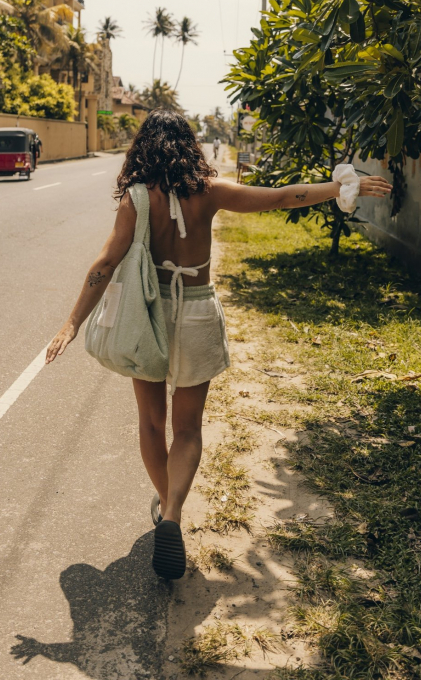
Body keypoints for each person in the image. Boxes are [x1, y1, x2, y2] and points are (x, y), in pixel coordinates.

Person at [45, 110, 391, 580]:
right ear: (189, 145)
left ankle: (167, 503)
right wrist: (341, 188)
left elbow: (105, 263)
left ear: (142, 148)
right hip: (197, 313)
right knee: (187, 429)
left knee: (151, 423)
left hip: (148, 315)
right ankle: (171, 515)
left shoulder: (137, 199)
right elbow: (283, 197)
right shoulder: (210, 192)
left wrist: (71, 322)